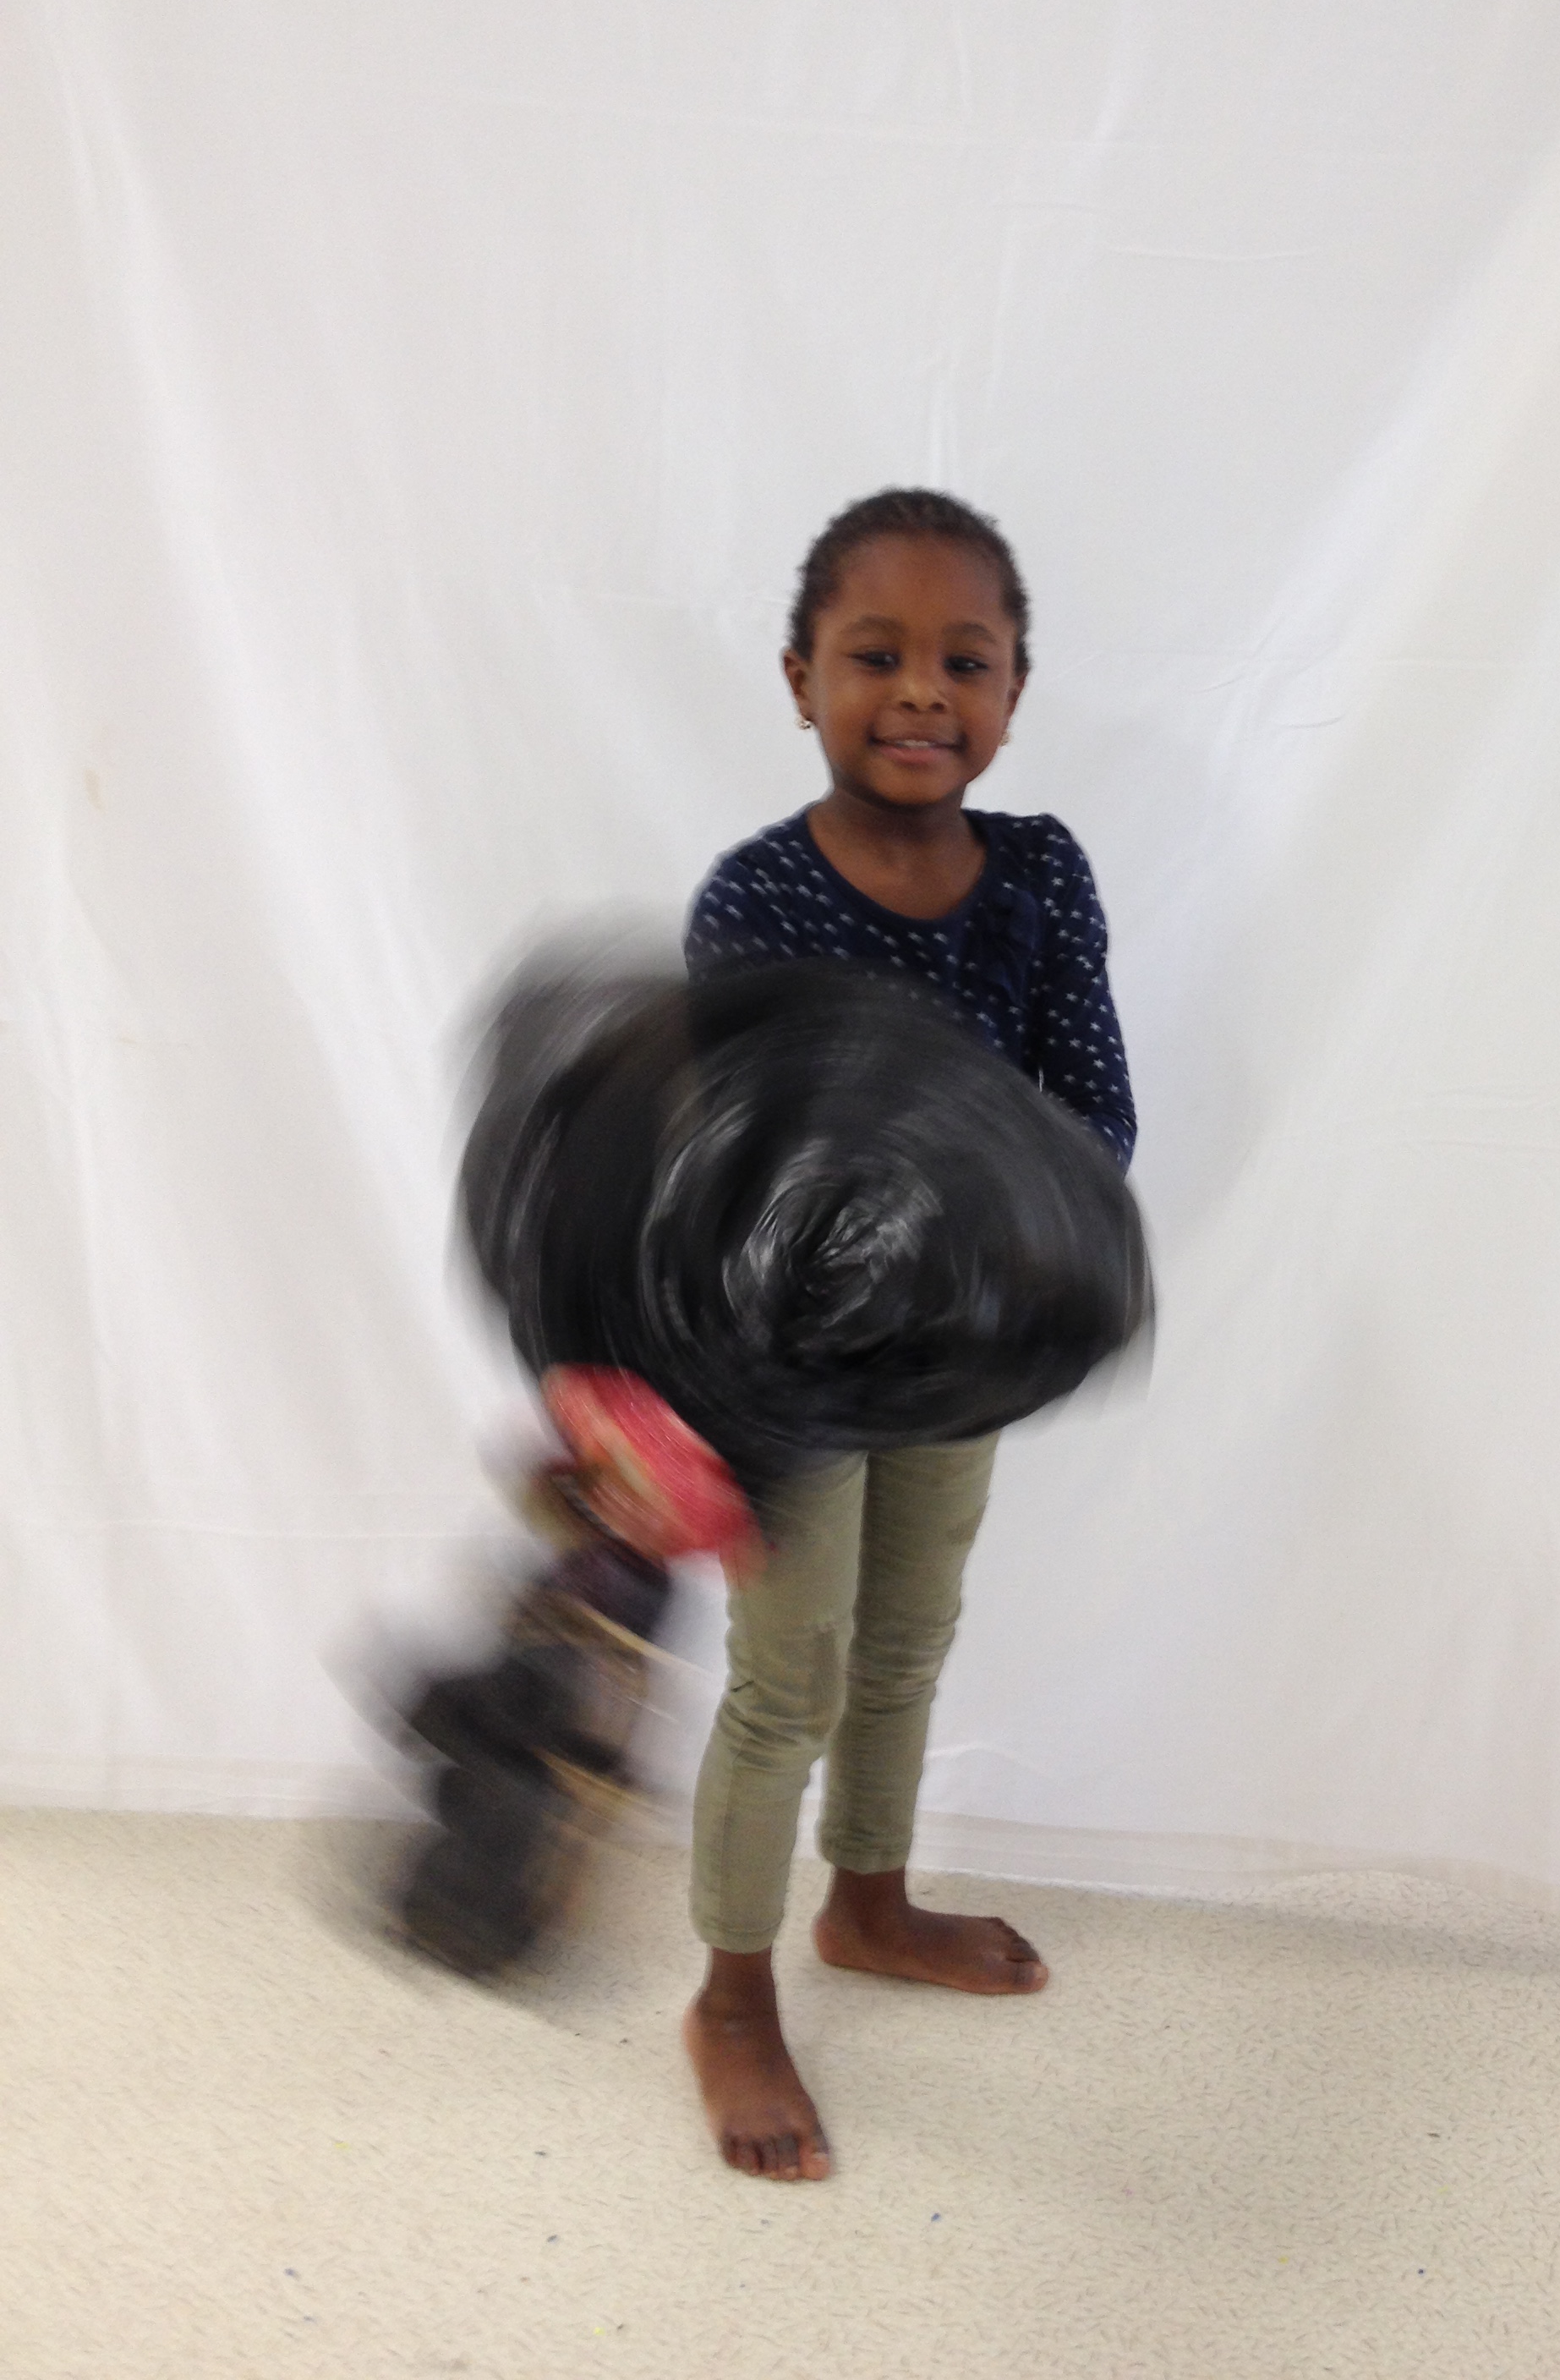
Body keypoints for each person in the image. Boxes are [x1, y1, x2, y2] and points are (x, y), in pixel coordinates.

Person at [680, 486, 1136, 2181]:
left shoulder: (1042, 876)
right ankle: (731, 1994)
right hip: (789, 1369)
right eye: (877, 655)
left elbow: (1096, 1115)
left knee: (907, 1638)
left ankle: (866, 1904)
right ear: (802, 678)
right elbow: (748, 1165)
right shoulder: (757, 901)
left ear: (1016, 688)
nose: (924, 689)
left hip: (962, 1349)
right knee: (786, 1676)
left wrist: (981, 1234)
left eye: (968, 657)